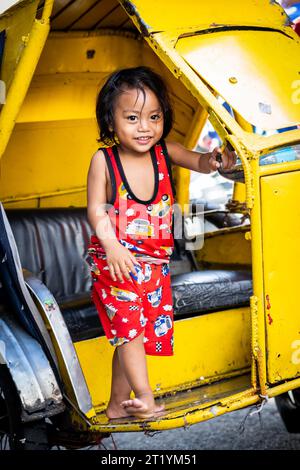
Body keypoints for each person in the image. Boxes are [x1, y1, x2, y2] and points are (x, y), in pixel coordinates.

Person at [86, 66, 236, 420]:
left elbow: (199, 161)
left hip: (153, 264)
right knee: (130, 332)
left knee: (131, 334)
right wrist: (113, 246)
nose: (145, 127)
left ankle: (115, 407)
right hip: (115, 262)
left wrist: (216, 160)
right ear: (110, 122)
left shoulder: (164, 152)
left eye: (154, 117)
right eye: (133, 117)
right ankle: (145, 399)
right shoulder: (103, 161)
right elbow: (95, 210)